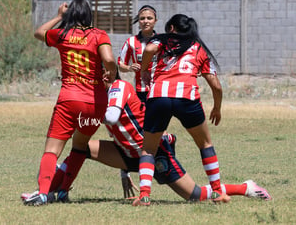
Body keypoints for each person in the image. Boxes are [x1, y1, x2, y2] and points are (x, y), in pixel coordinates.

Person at [29, 74, 271, 203]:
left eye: (100, 70)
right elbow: (111, 128)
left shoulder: (120, 87)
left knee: (195, 195)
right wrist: (124, 171)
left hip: (152, 152)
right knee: (80, 148)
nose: (95, 75)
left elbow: (112, 118)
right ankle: (53, 192)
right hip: (126, 153)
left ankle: (245, 187)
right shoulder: (98, 95)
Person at [23, 0, 117, 206]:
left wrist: (58, 17)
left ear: (70, 15)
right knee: (80, 146)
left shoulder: (62, 35)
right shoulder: (99, 35)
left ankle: (44, 192)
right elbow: (109, 59)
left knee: (52, 150)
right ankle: (63, 191)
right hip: (96, 102)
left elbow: (38, 33)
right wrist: (110, 72)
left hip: (70, 98)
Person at [135, 14, 228, 206]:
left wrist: (144, 69)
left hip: (159, 96)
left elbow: (150, 48)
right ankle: (217, 192)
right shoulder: (198, 48)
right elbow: (216, 86)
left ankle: (144, 195)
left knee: (148, 149)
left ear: (171, 28)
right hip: (187, 97)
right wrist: (217, 108)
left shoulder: (163, 40)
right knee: (205, 145)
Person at [117, 5, 158, 103]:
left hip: (159, 89)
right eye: (142, 18)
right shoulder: (130, 42)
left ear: (155, 21)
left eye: (149, 18)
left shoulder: (162, 41)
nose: (146, 21)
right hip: (141, 90)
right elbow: (120, 65)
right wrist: (129, 68)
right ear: (139, 21)